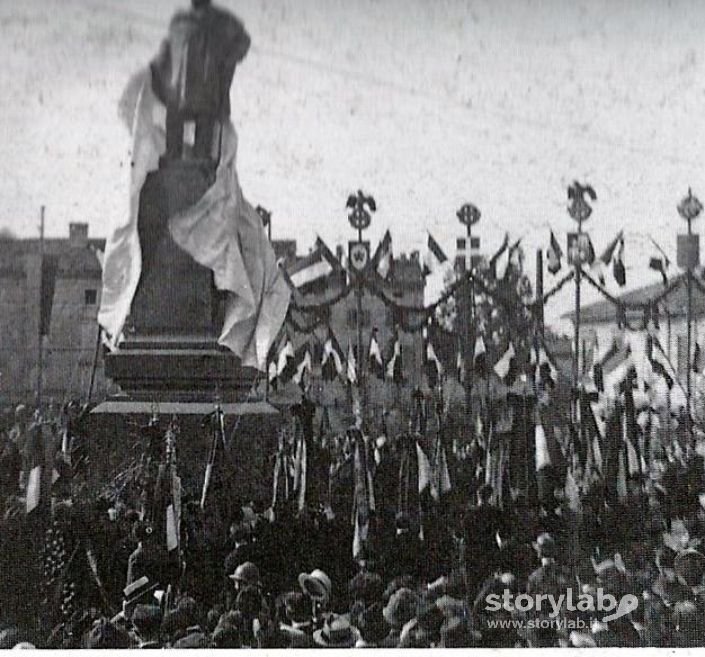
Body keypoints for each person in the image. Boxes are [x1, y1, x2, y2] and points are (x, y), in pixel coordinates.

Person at [150, 0, 251, 162]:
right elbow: (165, 52)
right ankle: (183, 165)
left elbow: (244, 42)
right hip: (192, 94)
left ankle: (185, 166)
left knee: (193, 145)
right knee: (190, 147)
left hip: (194, 93)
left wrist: (226, 60)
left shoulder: (219, 21)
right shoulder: (182, 21)